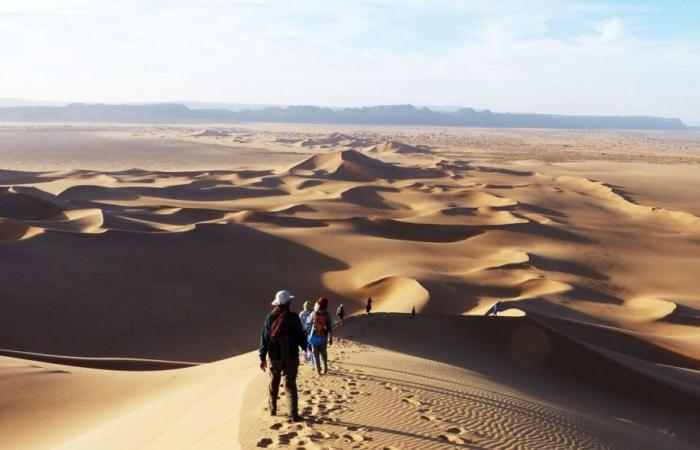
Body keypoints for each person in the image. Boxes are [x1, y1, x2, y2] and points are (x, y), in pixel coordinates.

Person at [259, 290, 307, 422]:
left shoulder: (270, 318)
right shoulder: (294, 317)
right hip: (291, 355)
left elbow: (264, 339)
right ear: (289, 303)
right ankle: (294, 414)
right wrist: (305, 348)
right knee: (290, 384)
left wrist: (262, 358)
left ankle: (272, 409)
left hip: (275, 356)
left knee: (274, 381)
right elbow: (300, 336)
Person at [306, 297, 333, 375]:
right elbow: (330, 327)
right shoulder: (327, 314)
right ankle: (325, 368)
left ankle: (318, 370)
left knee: (315, 354)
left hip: (314, 336)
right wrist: (330, 338)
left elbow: (308, 321)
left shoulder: (314, 313)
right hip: (324, 337)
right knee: (323, 352)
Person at [299, 301, 315, 367]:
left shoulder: (301, 313)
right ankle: (311, 362)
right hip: (311, 332)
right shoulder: (312, 313)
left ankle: (305, 357)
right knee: (310, 345)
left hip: (303, 331)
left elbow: (300, 323)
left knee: (303, 344)